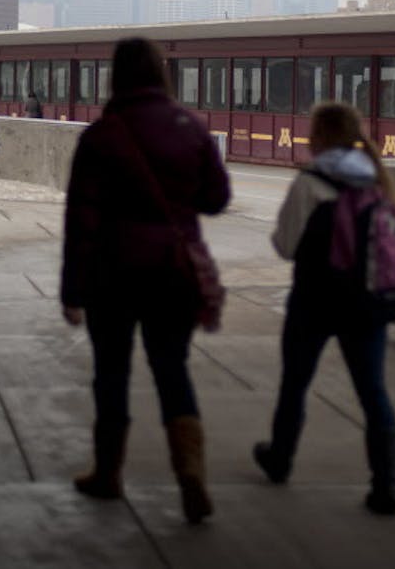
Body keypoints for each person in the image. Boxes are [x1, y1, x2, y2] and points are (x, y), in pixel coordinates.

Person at [61, 37, 231, 523]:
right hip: (172, 274)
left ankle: (108, 473)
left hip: (111, 275)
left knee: (112, 373)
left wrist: (72, 292)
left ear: (116, 75)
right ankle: (191, 471)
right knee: (172, 368)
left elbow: (81, 221)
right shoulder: (189, 128)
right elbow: (217, 198)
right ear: (162, 73)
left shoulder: (102, 135)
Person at [253, 101, 395, 515]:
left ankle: (280, 459)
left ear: (319, 136)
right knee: (373, 391)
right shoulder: (376, 179)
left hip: (314, 301)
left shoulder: (310, 182)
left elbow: (285, 247)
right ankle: (387, 484)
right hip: (365, 304)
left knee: (295, 384)